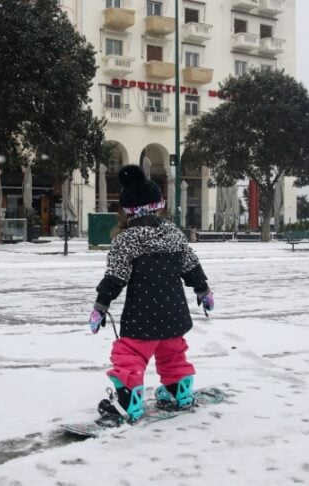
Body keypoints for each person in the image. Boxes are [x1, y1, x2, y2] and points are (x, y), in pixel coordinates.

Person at [88, 164, 214, 425]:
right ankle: (178, 389)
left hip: (143, 315)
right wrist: (203, 290)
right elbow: (191, 266)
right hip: (174, 313)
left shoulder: (126, 240)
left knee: (131, 354)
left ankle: (127, 401)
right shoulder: (173, 234)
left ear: (125, 211)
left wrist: (100, 306)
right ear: (159, 205)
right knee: (172, 353)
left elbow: (115, 277)